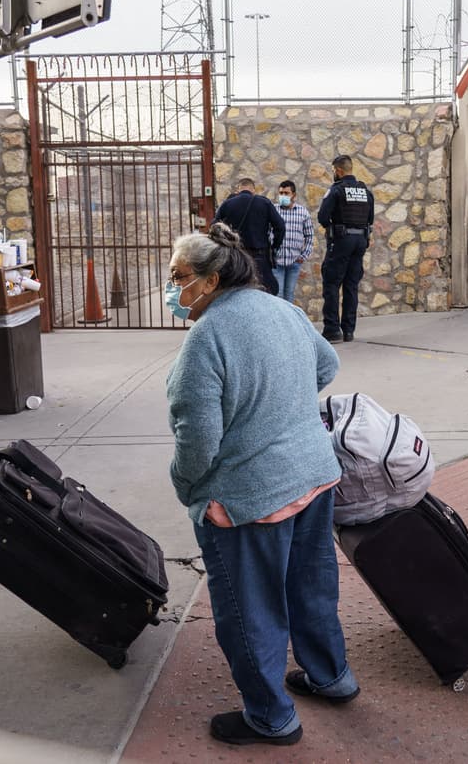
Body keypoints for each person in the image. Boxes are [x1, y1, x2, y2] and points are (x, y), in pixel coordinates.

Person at [164, 223, 358, 747]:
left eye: (178, 277)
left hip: (248, 499)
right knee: (311, 585)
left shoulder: (206, 338)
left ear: (209, 280)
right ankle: (331, 677)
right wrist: (282, 406)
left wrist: (186, 487)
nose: (172, 288)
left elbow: (198, 441)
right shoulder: (282, 309)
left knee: (251, 610)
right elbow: (327, 363)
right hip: (314, 477)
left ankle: (271, 717)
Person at [317, 155, 375, 343]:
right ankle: (349, 330)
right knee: (351, 285)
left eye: (334, 170)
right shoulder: (366, 192)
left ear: (339, 171)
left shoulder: (336, 190)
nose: (334, 174)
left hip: (342, 240)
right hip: (360, 240)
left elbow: (323, 217)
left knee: (332, 283)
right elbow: (370, 218)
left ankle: (332, 330)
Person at [214, 177, 286, 295]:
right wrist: (274, 246)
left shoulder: (228, 204)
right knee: (264, 294)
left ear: (238, 190)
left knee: (237, 293)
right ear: (254, 190)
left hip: (237, 257)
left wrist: (226, 244)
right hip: (260, 257)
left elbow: (215, 227)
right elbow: (280, 227)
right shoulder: (264, 203)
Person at [272, 179, 314, 304]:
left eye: (286, 193)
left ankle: (288, 323)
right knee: (277, 295)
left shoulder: (303, 213)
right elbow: (266, 232)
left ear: (294, 195)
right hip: (277, 261)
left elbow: (310, 236)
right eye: (281, 193)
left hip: (294, 262)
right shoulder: (273, 210)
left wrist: (303, 256)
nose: (283, 196)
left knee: (289, 294)